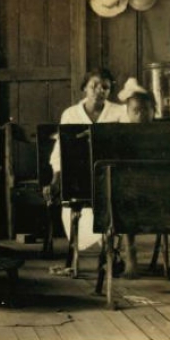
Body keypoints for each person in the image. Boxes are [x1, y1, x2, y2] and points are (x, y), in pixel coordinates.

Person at [48, 68, 126, 261]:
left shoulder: (119, 111)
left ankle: (111, 249)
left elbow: (126, 145)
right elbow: (60, 150)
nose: (100, 90)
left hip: (110, 174)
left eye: (105, 87)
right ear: (85, 88)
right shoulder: (71, 114)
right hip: (80, 176)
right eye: (95, 85)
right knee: (75, 198)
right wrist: (56, 178)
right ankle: (81, 249)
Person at [118, 78, 157, 278]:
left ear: (154, 111)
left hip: (160, 189)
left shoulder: (165, 133)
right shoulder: (122, 135)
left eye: (145, 110)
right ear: (128, 112)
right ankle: (130, 253)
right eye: (135, 110)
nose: (141, 114)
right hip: (134, 191)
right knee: (125, 199)